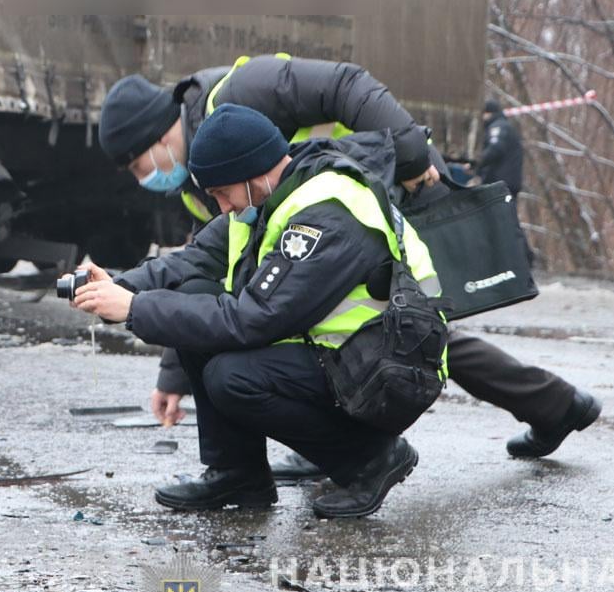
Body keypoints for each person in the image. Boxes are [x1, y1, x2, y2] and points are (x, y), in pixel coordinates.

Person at [97, 55, 601, 478]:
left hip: (367, 189)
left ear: (158, 137)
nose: (149, 179)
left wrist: (410, 157)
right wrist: (173, 373)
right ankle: (553, 405)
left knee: (405, 326)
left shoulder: (241, 94)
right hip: (334, 213)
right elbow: (212, 266)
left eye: (142, 168)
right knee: (387, 328)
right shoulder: (208, 176)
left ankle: (547, 406)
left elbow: (346, 84)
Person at [69, 105, 441, 517]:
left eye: (222, 193)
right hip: (344, 353)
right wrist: (117, 288)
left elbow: (252, 320)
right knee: (193, 293)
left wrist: (136, 309)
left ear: (250, 172)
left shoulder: (326, 213)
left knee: (233, 378)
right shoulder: (265, 198)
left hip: (392, 366)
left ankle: (372, 460)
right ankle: (238, 474)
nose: (224, 207)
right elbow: (188, 264)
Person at [476, 99, 524, 197]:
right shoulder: (506, 127)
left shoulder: (498, 127)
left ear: (488, 113)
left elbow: (495, 149)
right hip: (508, 182)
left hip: (500, 184)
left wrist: (478, 163)